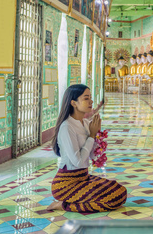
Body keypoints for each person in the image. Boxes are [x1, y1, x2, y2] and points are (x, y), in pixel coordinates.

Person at [47, 84, 126, 212]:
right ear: (73, 103)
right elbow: (78, 162)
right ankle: (63, 205)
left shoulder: (86, 123)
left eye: (90, 97)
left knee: (120, 190)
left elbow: (93, 156)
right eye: (86, 98)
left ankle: (69, 203)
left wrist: (97, 137)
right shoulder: (67, 127)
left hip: (83, 178)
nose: (91, 101)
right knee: (115, 198)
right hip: (66, 184)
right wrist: (92, 136)